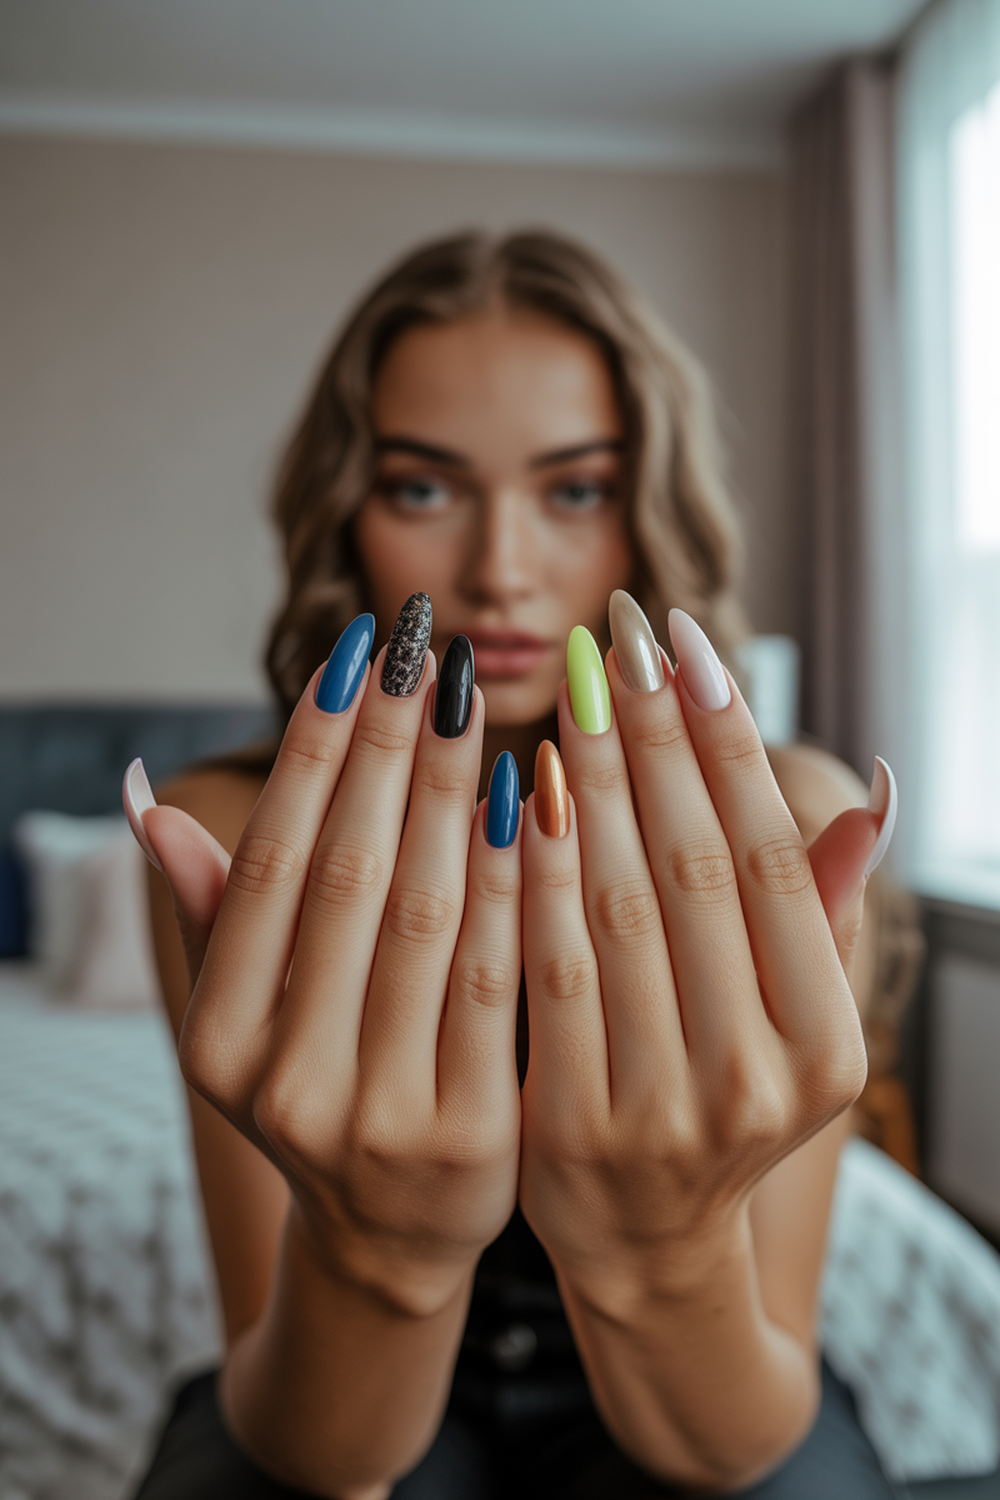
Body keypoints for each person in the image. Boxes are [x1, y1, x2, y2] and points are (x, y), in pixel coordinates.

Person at [123, 231, 899, 1498]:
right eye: (425, 488)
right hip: (333, 1371)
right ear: (348, 516)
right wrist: (377, 1255)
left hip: (707, 1367)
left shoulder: (783, 826)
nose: (498, 567)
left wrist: (661, 1257)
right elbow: (324, 1443)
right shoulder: (230, 837)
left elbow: (736, 1433)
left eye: (576, 489)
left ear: (649, 508)